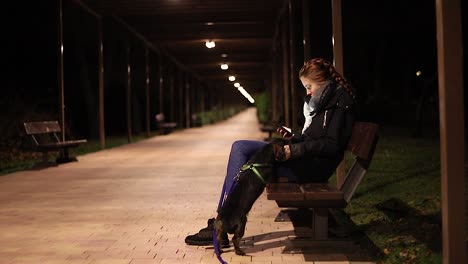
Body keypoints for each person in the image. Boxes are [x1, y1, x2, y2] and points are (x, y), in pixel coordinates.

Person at [184, 58, 356, 246]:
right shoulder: (323, 101)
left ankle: (223, 223)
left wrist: (294, 150)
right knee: (240, 147)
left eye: (309, 86)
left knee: (250, 167)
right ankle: (224, 221)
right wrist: (294, 137)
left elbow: (332, 144)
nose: (307, 92)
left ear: (322, 82)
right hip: (303, 157)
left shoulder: (340, 104)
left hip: (313, 167)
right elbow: (313, 138)